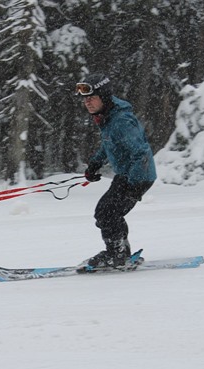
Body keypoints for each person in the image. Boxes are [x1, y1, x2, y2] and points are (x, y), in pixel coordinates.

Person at [76, 73, 157, 268]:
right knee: (106, 212)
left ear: (103, 96)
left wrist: (134, 185)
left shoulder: (120, 120)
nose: (87, 102)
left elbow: (142, 153)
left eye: (92, 98)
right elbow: (108, 145)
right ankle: (121, 251)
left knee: (107, 212)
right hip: (126, 174)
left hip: (138, 176)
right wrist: (95, 164)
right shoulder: (107, 117)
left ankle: (117, 254)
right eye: (85, 99)